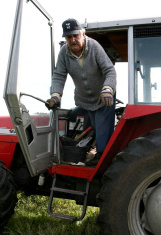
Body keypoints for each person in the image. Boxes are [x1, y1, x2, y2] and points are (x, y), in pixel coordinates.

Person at [47, 18, 116, 166]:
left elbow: (110, 70)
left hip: (104, 97)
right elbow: (59, 75)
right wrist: (55, 96)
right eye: (68, 37)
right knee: (96, 127)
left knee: (103, 128)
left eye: (75, 35)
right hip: (85, 99)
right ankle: (93, 154)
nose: (73, 40)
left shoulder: (94, 47)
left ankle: (102, 159)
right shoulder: (64, 53)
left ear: (83, 34)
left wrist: (108, 89)